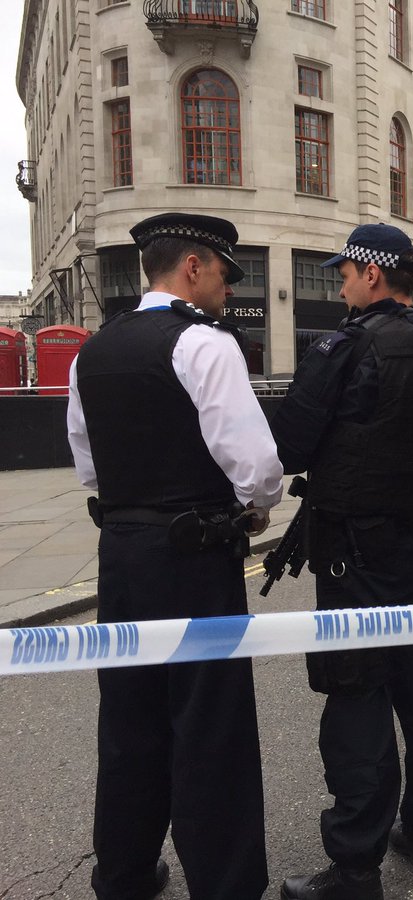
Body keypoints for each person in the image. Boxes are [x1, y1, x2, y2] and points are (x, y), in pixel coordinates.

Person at [66, 213, 283, 900]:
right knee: (208, 723)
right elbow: (256, 466)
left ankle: (124, 873)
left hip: (122, 555)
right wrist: (256, 505)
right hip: (194, 557)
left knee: (128, 719)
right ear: (192, 267)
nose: (226, 290)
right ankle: (224, 884)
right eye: (222, 274)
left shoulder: (93, 352)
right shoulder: (205, 344)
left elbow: (88, 464)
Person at [271, 224, 413, 900]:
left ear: (373, 274)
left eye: (345, 272)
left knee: (358, 693)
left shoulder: (347, 345)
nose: (339, 283)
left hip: (356, 557)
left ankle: (355, 866)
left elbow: (290, 444)